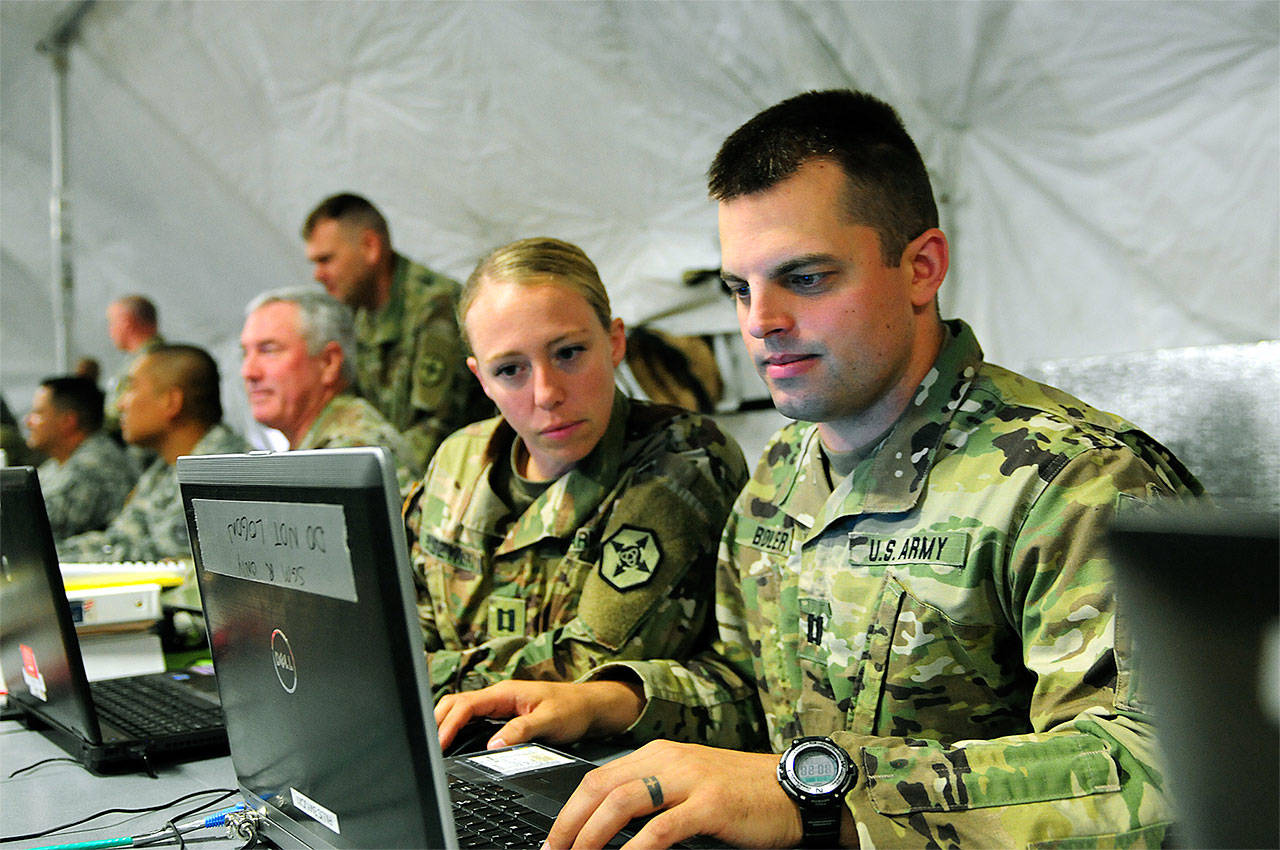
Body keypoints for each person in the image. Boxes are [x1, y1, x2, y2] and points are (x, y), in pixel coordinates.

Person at [432, 91, 1203, 849]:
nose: (759, 322)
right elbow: (752, 691)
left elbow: (1159, 768)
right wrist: (613, 702)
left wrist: (820, 799)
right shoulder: (780, 477)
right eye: (740, 287)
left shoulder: (1072, 482)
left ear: (921, 268)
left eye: (804, 278)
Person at [402, 237, 748, 699]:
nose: (546, 393)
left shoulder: (683, 459)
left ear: (614, 342)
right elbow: (403, 620)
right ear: (480, 379)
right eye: (510, 370)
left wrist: (418, 678)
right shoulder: (457, 461)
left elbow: (592, 667)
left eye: (568, 353)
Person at [302, 193, 488, 471]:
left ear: (370, 246)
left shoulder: (435, 308)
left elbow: (434, 432)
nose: (317, 274)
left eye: (326, 259)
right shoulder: (358, 314)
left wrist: (362, 470)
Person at [59, 344, 248, 562]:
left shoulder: (221, 471)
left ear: (171, 402)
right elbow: (122, 539)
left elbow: (156, 556)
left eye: (130, 388)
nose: (120, 404)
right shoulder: (164, 470)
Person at [240, 286, 416, 493]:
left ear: (328, 362)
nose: (248, 372)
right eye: (245, 353)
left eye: (269, 351)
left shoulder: (350, 451)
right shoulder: (321, 450)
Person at [24, 376, 138, 539]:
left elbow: (29, 526)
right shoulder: (58, 463)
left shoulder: (95, 465)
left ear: (67, 421)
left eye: (38, 413)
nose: (28, 422)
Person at [102, 294, 163, 436]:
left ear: (126, 323)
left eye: (112, 323)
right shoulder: (140, 360)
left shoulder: (150, 362)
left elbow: (116, 415)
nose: (110, 332)